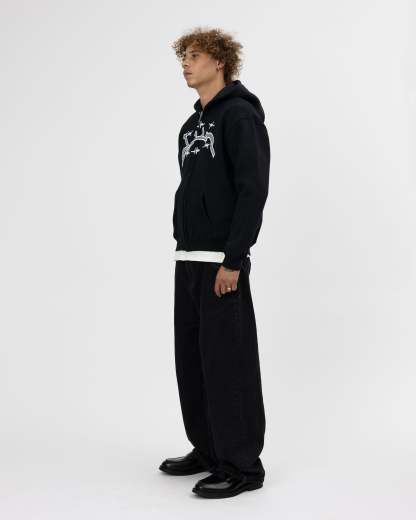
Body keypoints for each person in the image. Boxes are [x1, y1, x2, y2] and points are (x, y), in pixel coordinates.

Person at [159, 27, 271, 499]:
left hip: (222, 262)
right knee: (193, 361)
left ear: (220, 61)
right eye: (182, 56)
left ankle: (242, 466)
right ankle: (208, 449)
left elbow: (252, 189)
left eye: (195, 55)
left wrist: (235, 258)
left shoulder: (240, 116)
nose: (186, 63)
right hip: (189, 256)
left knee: (229, 363)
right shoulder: (190, 127)